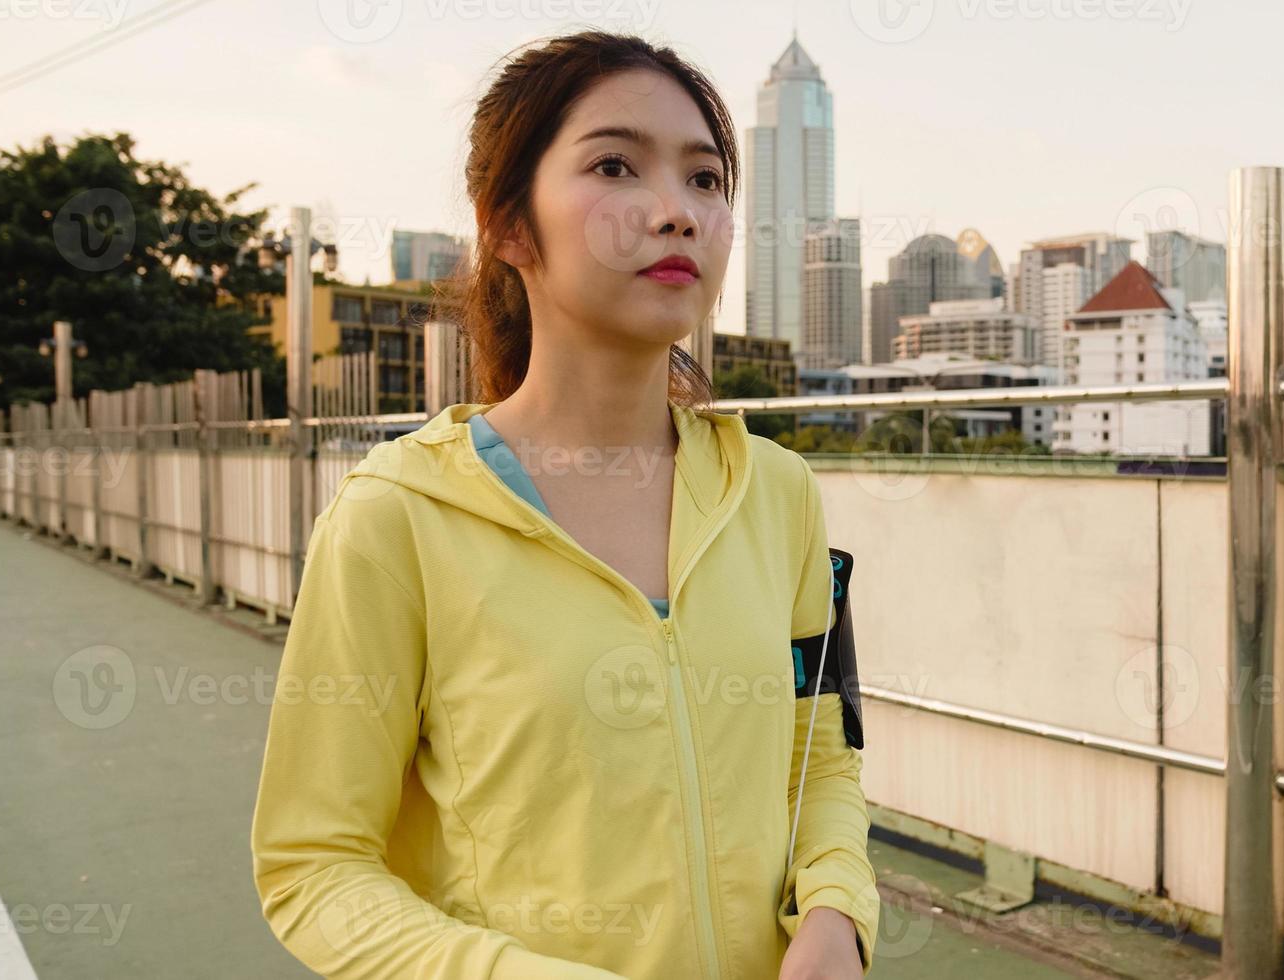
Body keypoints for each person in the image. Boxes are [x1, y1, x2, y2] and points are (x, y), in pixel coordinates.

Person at [249, 30, 877, 979]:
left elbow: (818, 754)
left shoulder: (777, 492)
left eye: (706, 181)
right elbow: (314, 866)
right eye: (616, 166)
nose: (676, 212)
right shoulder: (398, 517)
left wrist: (836, 914)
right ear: (508, 226)